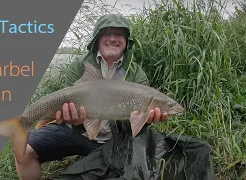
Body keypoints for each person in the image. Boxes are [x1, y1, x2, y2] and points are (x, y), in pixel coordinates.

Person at [15, 14, 168, 180]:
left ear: (126, 40)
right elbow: (68, 111)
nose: (113, 38)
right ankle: (21, 125)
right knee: (24, 152)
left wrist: (146, 120)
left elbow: (134, 129)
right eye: (107, 33)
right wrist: (74, 120)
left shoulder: (137, 74)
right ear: (97, 38)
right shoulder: (80, 66)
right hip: (78, 134)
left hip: (114, 141)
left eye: (119, 34)